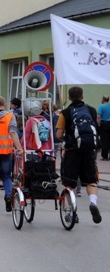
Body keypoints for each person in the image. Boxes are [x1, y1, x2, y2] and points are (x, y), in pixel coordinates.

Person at [56, 86, 102, 224]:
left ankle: (72, 210)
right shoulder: (91, 110)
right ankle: (93, 202)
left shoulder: (65, 112)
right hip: (88, 151)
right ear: (82, 96)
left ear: (69, 97)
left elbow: (58, 135)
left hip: (72, 152)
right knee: (91, 180)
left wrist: (67, 140)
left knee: (70, 183)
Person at [97, 95, 110, 161]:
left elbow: (99, 116)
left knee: (104, 140)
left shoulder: (101, 106)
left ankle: (105, 156)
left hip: (104, 124)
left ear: (103, 99)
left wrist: (98, 123)